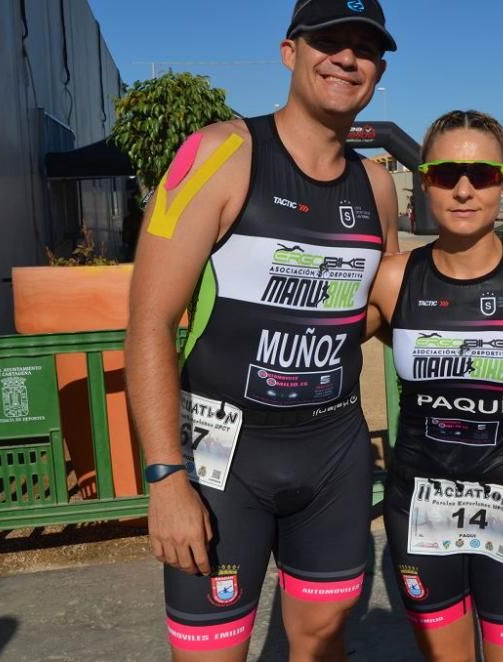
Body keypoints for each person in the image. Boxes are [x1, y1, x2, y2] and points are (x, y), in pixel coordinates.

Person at [123, 1, 399, 659]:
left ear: (378, 69)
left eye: (364, 46)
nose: (346, 57)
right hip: (223, 463)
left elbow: (375, 309)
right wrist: (164, 477)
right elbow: (149, 323)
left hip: (332, 456)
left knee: (322, 647)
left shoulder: (379, 185)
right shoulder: (219, 153)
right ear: (290, 52)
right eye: (328, 40)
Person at [366, 110, 503, 661]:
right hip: (419, 505)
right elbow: (302, 340)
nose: (463, 189)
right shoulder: (391, 278)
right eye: (445, 174)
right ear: (424, 180)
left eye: (481, 174)